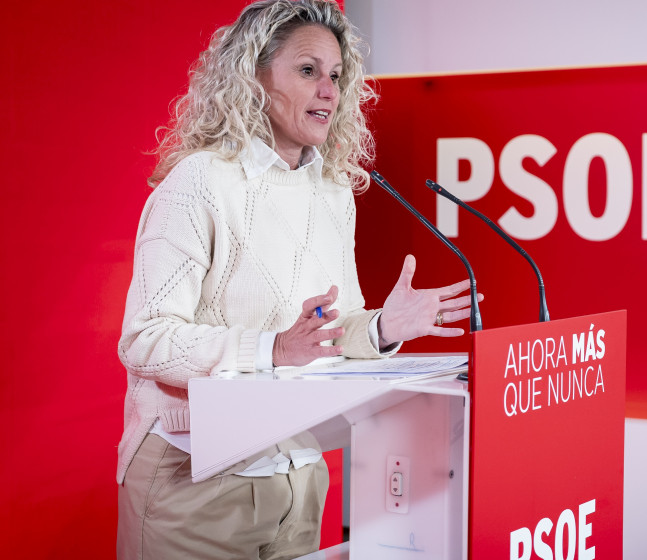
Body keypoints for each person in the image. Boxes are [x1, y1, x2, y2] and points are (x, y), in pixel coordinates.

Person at [115, 1, 478, 558]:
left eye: (336, 75)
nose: (329, 90)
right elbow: (146, 338)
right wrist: (273, 347)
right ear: (253, 78)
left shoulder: (332, 191)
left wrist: (380, 328)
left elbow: (328, 331)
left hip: (301, 478)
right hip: (195, 484)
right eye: (308, 71)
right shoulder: (200, 182)